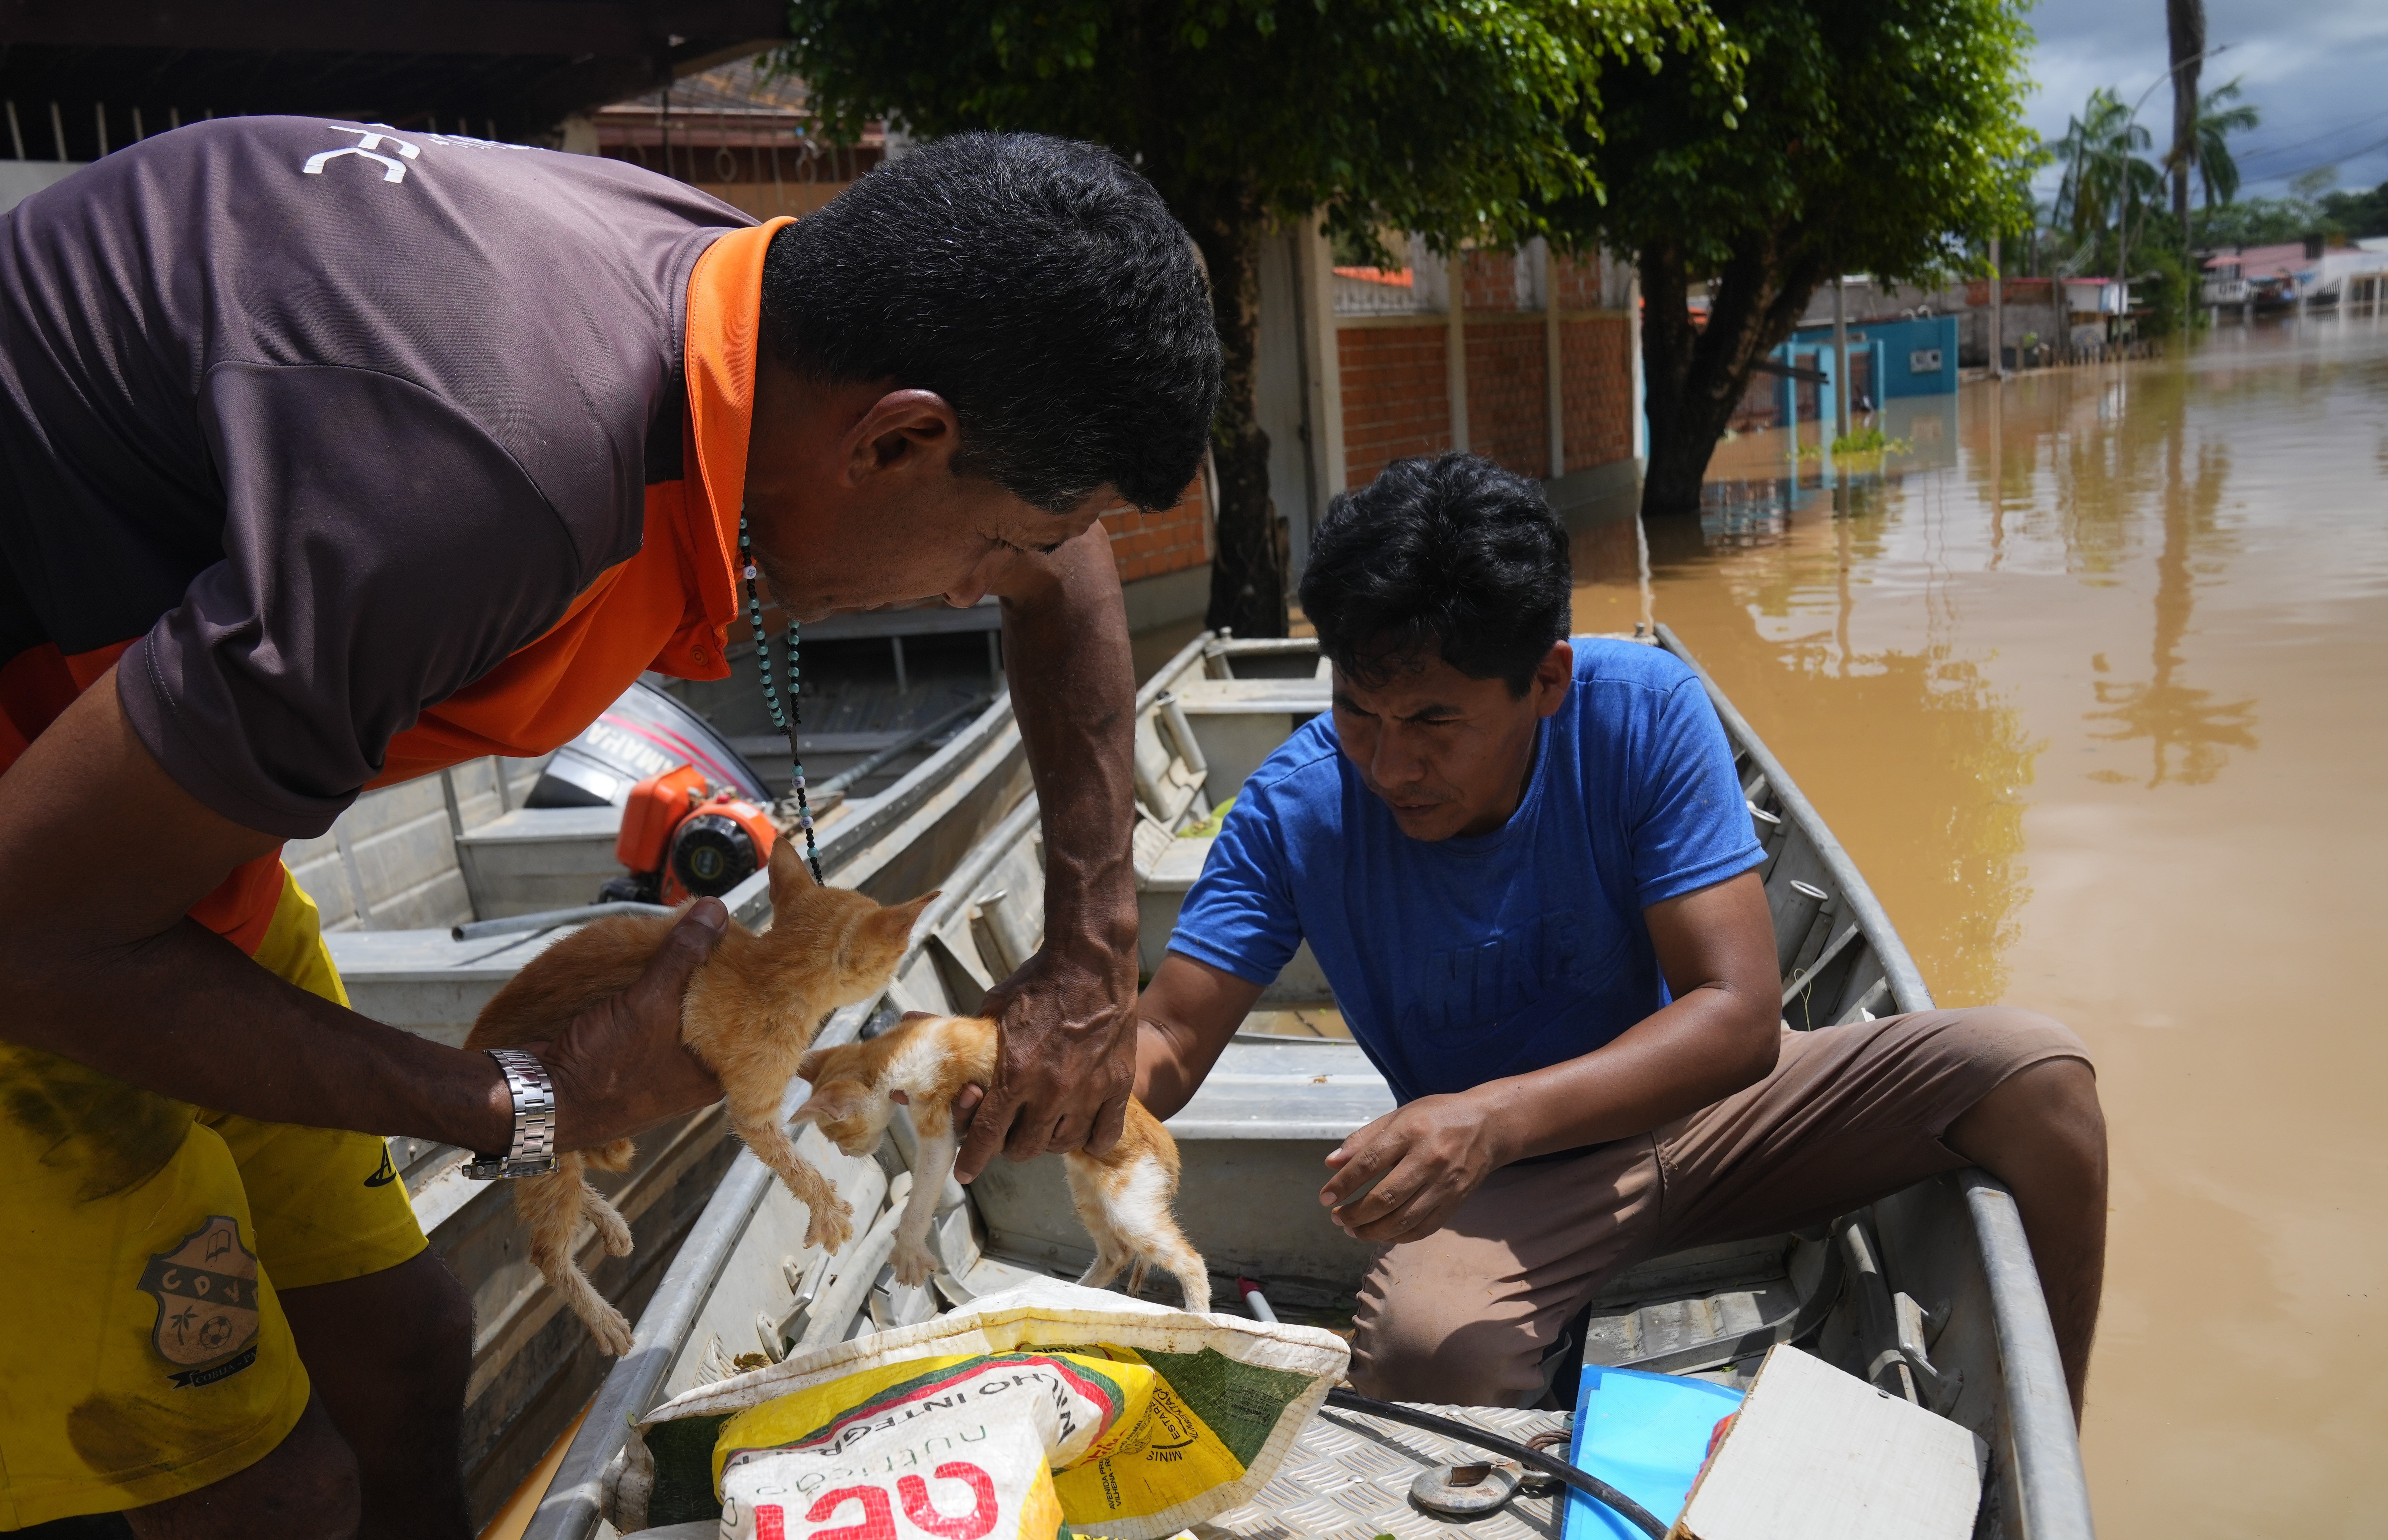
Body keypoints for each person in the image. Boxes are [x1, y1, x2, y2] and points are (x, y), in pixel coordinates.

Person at [0, 122, 1215, 1535]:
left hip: (152, 833)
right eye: (991, 542)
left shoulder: (754, 308)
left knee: (404, 1349)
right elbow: (34, 928)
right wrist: (526, 1103)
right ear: (897, 438)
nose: (980, 590)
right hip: (48, 878)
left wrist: (1092, 947)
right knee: (267, 1492)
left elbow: (1067, 575)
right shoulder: (487, 491)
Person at [1134, 454, 2107, 1415]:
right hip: (1515, 1182)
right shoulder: (1296, 809)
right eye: (1356, 708)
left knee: (2036, 1076)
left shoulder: (1641, 711)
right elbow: (1171, 1039)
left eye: (1435, 720)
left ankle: (2046, 1445)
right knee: (1430, 1356)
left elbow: (1738, 1018)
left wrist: (1490, 1116)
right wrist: (1027, 1077)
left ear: (1546, 680)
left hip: (1712, 1115)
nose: (1390, 764)